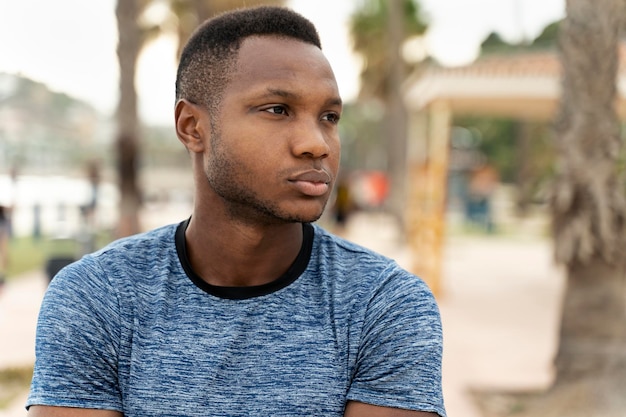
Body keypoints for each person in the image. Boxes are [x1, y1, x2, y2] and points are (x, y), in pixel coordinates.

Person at [27, 6, 446, 417]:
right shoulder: (99, 297)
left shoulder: (383, 304)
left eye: (329, 116)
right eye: (278, 110)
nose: (316, 143)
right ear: (192, 127)